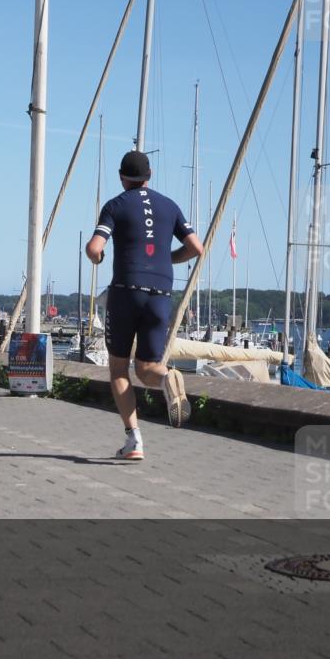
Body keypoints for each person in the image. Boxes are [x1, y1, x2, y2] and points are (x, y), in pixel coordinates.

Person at [85, 150, 204, 461]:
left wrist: (97, 257)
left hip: (126, 291)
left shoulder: (115, 206)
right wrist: (168, 258)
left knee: (119, 368)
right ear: (149, 176)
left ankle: (134, 440)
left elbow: (94, 247)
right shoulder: (170, 206)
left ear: (122, 176)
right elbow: (196, 248)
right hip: (161, 293)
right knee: (149, 367)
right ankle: (167, 378)